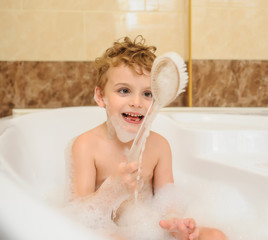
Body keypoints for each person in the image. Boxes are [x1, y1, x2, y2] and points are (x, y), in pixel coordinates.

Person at [69, 35, 226, 240]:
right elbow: (76, 216)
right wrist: (110, 192)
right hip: (108, 230)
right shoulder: (87, 146)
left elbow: (168, 202)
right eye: (124, 91)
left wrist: (176, 223)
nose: (137, 102)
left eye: (148, 94)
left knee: (215, 235)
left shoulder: (159, 146)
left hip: (149, 227)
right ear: (101, 97)